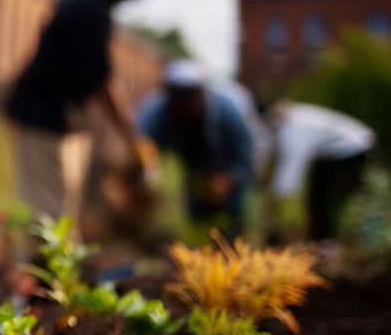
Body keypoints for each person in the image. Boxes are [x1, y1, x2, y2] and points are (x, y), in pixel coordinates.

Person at [3, 0, 157, 221]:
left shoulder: (87, 2)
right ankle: (39, 262)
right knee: (47, 215)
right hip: (43, 117)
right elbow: (101, 80)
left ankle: (57, 260)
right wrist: (131, 135)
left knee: (62, 212)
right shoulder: (90, 10)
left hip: (61, 119)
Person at [137, 60, 255, 235]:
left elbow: (245, 160)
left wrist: (228, 180)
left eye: (188, 98)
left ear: (200, 94)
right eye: (176, 98)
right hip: (195, 173)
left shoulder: (228, 114)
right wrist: (149, 171)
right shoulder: (157, 111)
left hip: (225, 172)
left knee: (230, 225)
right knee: (199, 224)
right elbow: (144, 143)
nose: (182, 107)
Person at [264, 101, 375, 243]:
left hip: (352, 149)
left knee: (336, 197)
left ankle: (338, 241)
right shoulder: (295, 117)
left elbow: (292, 169)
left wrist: (276, 200)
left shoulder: (296, 129)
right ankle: (320, 239)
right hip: (333, 152)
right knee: (317, 195)